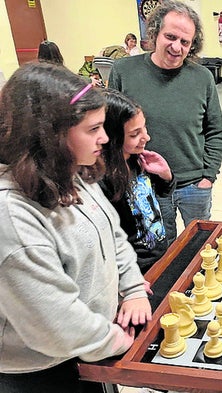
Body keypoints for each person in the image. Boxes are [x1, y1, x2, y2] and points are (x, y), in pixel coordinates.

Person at [0, 62, 152, 393]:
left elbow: (114, 235)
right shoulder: (11, 216)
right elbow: (53, 322)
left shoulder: (73, 171)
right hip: (43, 371)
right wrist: (113, 339)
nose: (105, 138)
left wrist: (133, 289)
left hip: (92, 347)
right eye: (93, 128)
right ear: (52, 135)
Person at [108, 0, 222, 244]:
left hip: (194, 183)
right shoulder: (123, 71)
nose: (177, 47)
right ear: (154, 33)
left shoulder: (203, 78)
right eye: (170, 37)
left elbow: (215, 131)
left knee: (200, 246)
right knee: (160, 250)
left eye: (185, 42)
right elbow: (112, 129)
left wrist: (208, 176)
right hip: (144, 183)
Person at [100, 89, 176, 274]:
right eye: (135, 134)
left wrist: (166, 175)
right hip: (135, 268)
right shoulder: (101, 180)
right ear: (111, 137)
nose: (147, 137)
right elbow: (107, 241)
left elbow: (160, 193)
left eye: (144, 128)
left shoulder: (138, 159)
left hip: (158, 251)